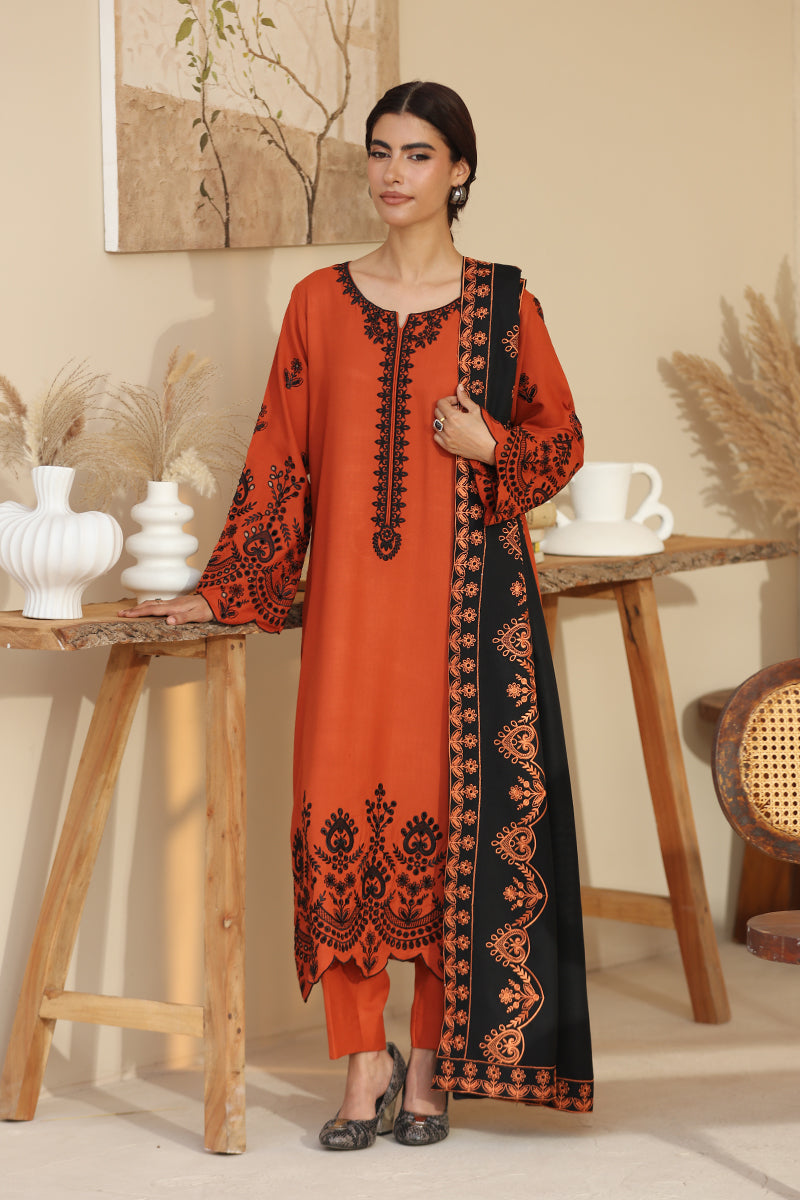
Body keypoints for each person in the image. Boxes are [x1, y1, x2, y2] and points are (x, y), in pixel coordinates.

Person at [121, 80, 593, 1150]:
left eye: (417, 155)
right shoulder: (318, 304)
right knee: (335, 811)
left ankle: (424, 1066)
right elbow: (278, 457)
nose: (391, 173)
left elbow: (559, 445)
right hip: (346, 618)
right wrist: (219, 587)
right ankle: (357, 1064)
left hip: (458, 620)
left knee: (443, 826)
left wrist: (491, 452)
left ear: (458, 171)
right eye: (378, 153)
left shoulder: (502, 304)